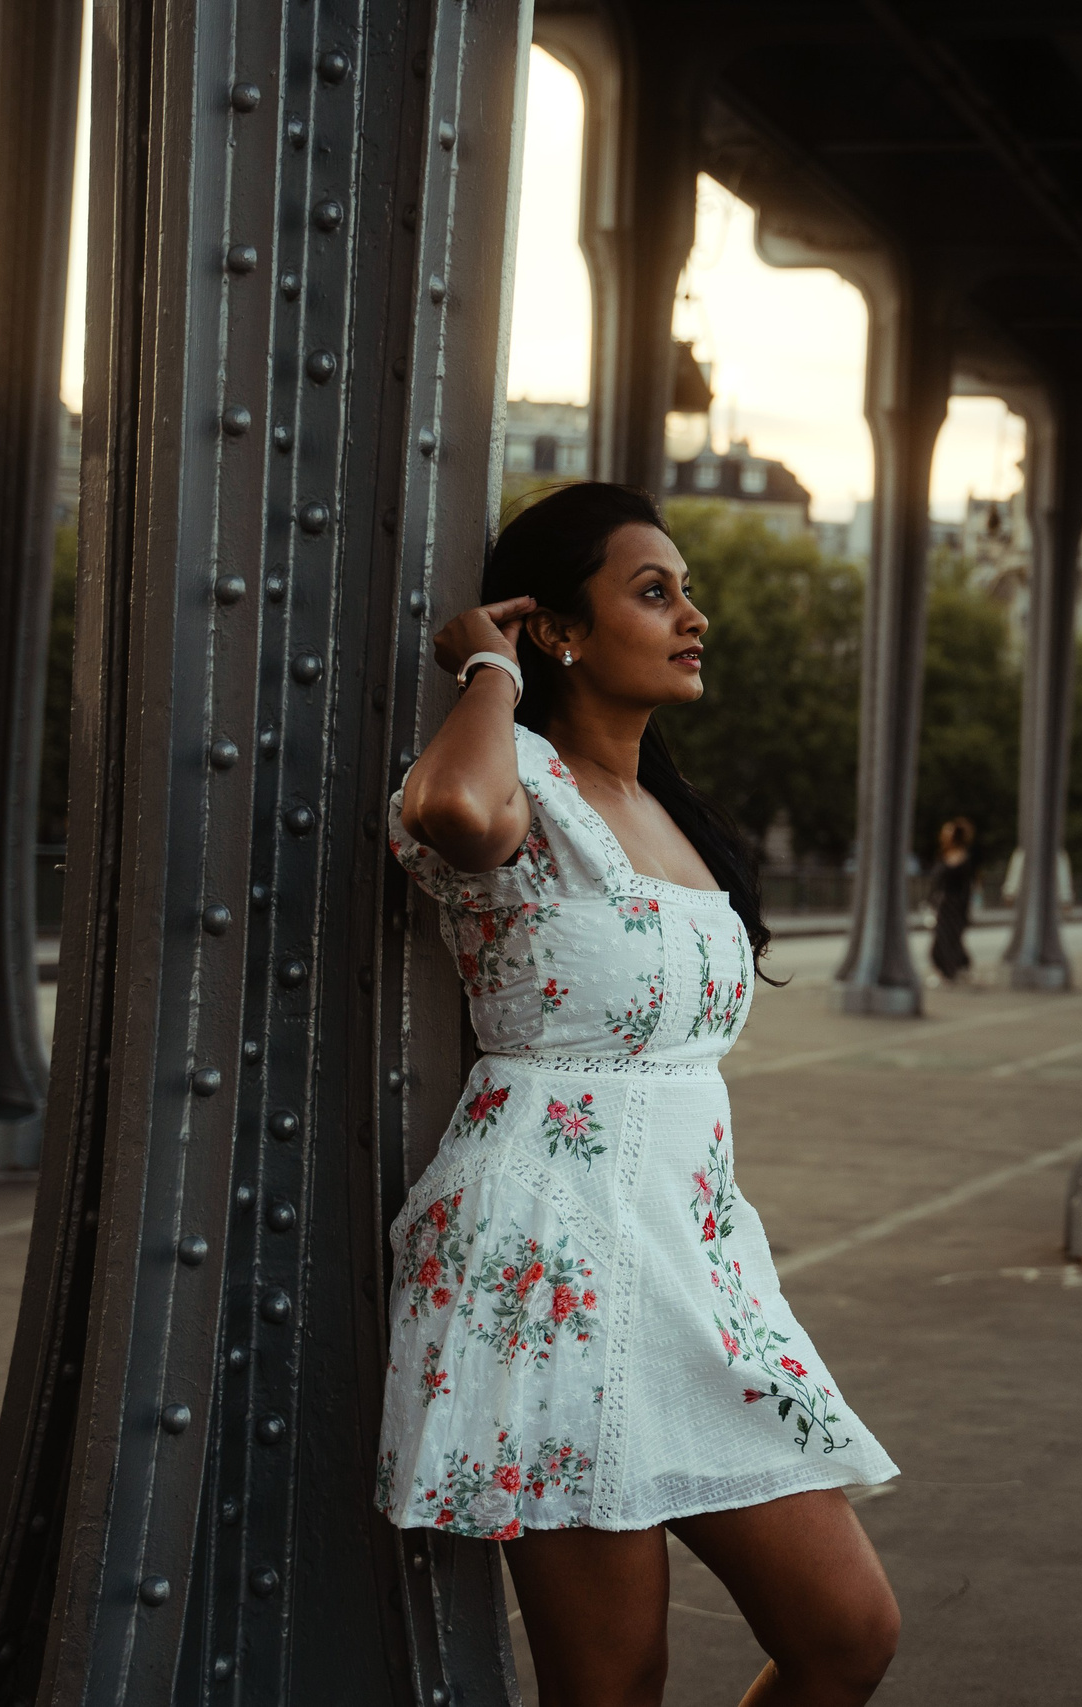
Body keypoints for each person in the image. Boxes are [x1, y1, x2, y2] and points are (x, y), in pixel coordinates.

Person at [383, 483, 900, 1706]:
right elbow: (448, 812)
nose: (693, 618)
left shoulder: (667, 810)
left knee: (848, 1633)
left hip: (697, 1264)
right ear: (559, 630)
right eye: (654, 593)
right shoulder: (518, 780)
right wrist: (489, 671)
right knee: (614, 1685)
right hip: (550, 1261)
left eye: (686, 592)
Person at [929, 818, 978, 987]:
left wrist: (965, 909)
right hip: (943, 905)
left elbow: (966, 887)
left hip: (955, 906)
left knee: (951, 939)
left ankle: (952, 971)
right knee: (942, 940)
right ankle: (954, 970)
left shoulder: (963, 858)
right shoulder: (944, 855)